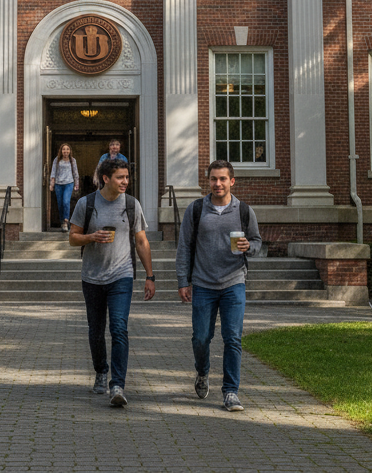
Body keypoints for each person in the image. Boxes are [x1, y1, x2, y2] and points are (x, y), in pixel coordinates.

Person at [175, 160, 262, 413]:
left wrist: (250, 247)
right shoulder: (196, 209)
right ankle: (202, 372)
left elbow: (256, 242)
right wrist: (183, 281)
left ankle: (231, 392)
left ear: (232, 181)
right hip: (203, 283)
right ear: (208, 181)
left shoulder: (244, 211)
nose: (218, 183)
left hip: (234, 282)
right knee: (201, 338)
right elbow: (184, 248)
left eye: (223, 179)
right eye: (214, 179)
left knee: (232, 338)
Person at [69, 156, 155, 408]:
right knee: (96, 331)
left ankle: (117, 384)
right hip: (92, 277)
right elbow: (73, 238)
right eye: (120, 177)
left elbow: (141, 241)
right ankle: (101, 370)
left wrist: (150, 276)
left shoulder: (131, 204)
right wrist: (91, 237)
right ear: (106, 178)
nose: (125, 182)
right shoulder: (86, 203)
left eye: (127, 177)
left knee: (118, 328)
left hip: (122, 275)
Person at [49, 142, 80, 232]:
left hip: (69, 183)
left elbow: (75, 172)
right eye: (64, 149)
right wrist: (52, 184)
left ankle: (66, 220)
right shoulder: (57, 160)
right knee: (60, 204)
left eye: (67, 149)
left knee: (66, 202)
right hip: (58, 184)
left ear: (70, 151)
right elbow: (53, 172)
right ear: (61, 151)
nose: (65, 151)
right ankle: (63, 222)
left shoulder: (72, 160)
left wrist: (76, 184)